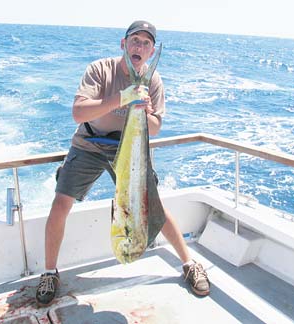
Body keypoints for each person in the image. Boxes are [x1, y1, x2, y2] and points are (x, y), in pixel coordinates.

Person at [36, 20, 210, 307]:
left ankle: (190, 263)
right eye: (135, 40)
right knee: (61, 202)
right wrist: (122, 97)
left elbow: (154, 128)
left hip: (132, 150)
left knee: (153, 207)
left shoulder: (153, 81)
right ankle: (49, 272)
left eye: (145, 43)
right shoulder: (100, 70)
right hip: (90, 144)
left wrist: (145, 112)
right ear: (123, 44)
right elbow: (79, 113)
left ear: (152, 52)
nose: (139, 46)